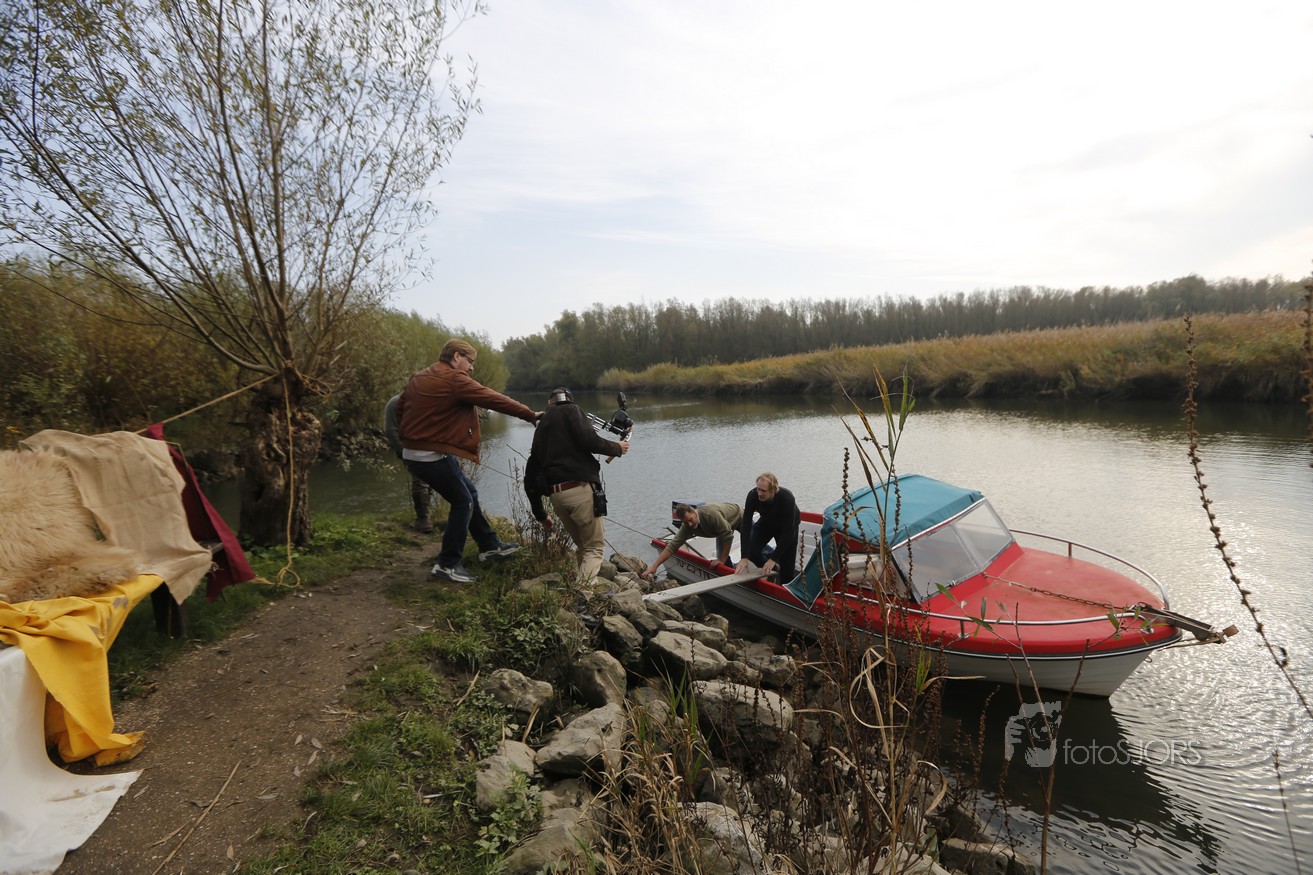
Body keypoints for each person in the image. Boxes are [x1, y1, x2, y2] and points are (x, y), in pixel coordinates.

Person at [396, 338, 541, 584]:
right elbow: (493, 398)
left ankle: (489, 546)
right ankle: (447, 564)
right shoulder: (454, 379)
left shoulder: (419, 376)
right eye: (470, 361)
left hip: (415, 452)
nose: (471, 367)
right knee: (463, 501)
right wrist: (530, 414)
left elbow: (400, 409)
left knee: (469, 492)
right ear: (456, 356)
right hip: (431, 454)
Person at [525, 387, 629, 586]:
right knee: (595, 548)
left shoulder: (541, 426)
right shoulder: (571, 410)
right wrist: (617, 448)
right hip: (580, 491)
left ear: (549, 403)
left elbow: (530, 477)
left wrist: (541, 515)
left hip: (557, 498)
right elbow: (589, 440)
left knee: (583, 547)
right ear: (569, 399)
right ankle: (582, 592)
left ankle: (585, 588)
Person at [642, 501, 742, 580]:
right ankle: (732, 576)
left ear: (694, 512)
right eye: (685, 522)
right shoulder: (687, 527)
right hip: (722, 528)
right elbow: (672, 546)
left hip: (739, 517)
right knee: (721, 555)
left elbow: (728, 536)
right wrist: (655, 566)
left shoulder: (710, 515)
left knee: (749, 549)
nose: (689, 524)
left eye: (690, 520)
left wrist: (722, 560)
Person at [384, 393, 438, 533]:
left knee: (427, 481)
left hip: (430, 448)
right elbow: (391, 431)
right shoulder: (395, 403)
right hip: (411, 449)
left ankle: (424, 518)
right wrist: (402, 451)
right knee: (420, 481)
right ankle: (424, 519)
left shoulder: (426, 401)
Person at [734, 472, 801, 584]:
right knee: (751, 551)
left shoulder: (787, 498)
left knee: (787, 571)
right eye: (758, 489)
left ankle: (781, 578)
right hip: (766, 522)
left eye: (763, 491)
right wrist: (744, 557)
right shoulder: (753, 495)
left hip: (786, 527)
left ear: (773, 490)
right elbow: (746, 525)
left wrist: (773, 559)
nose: (759, 493)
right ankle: (773, 569)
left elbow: (789, 533)